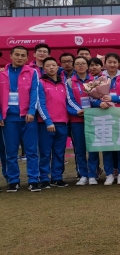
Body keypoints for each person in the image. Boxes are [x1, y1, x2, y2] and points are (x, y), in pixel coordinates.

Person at [1, 46, 41, 192]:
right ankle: (13, 181)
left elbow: (35, 92)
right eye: (17, 55)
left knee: (31, 151)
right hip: (9, 119)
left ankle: (33, 180)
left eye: (23, 55)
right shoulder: (2, 74)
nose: (20, 58)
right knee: (11, 152)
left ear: (27, 58)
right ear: (10, 56)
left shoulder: (32, 72)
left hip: (28, 118)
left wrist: (31, 111)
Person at [92, 53, 120, 185]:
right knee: (107, 147)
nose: (112, 64)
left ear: (118, 64)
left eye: (115, 62)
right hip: (104, 116)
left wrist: (113, 98)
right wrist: (100, 103)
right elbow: (91, 98)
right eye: (109, 62)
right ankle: (109, 174)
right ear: (105, 63)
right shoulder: (98, 78)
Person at [37, 57, 69, 188]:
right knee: (45, 153)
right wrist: (48, 121)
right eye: (48, 65)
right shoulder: (41, 83)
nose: (51, 68)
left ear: (58, 67)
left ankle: (57, 177)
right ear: (44, 68)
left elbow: (68, 102)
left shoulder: (64, 83)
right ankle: (44, 178)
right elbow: (40, 104)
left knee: (59, 152)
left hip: (62, 123)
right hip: (46, 124)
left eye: (53, 65)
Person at [66, 56, 98, 185]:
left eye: (83, 63)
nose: (81, 66)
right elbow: (69, 100)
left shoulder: (95, 80)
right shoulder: (69, 82)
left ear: (88, 66)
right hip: (77, 119)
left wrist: (91, 109)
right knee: (79, 149)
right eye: (78, 64)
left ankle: (93, 174)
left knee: (93, 148)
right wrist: (78, 110)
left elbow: (98, 97)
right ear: (74, 66)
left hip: (93, 119)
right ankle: (83, 175)